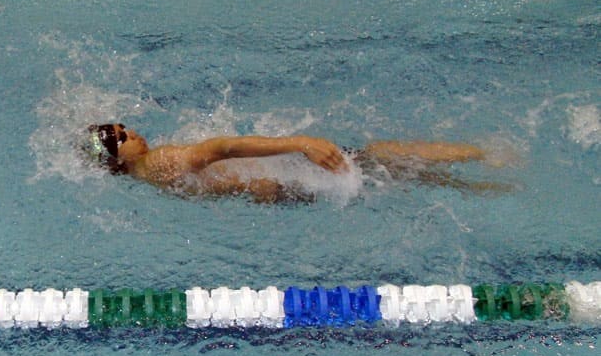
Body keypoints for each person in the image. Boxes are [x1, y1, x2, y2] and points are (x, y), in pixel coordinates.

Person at [87, 123, 510, 203]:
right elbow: (222, 149)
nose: (129, 132)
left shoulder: (148, 178)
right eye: (118, 138)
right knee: (379, 157)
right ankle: (485, 155)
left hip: (280, 192)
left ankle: (472, 187)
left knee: (385, 179)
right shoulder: (161, 161)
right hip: (287, 181)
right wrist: (300, 142)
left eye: (123, 125)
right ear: (113, 161)